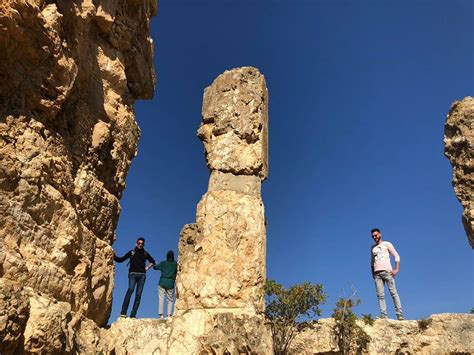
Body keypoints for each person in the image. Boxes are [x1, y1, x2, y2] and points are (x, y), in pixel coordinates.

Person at [114, 237, 155, 318]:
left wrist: (147, 268)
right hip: (132, 274)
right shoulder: (132, 252)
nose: (140, 245)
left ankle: (133, 314)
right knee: (130, 290)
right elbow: (121, 259)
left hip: (142, 276)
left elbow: (153, 261)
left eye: (142, 244)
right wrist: (114, 256)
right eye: (139, 243)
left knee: (138, 295)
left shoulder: (145, 253)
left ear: (144, 245)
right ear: (136, 244)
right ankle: (123, 312)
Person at [370, 228, 404, 320]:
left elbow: (397, 256)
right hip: (377, 274)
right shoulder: (372, 248)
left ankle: (399, 314)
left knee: (393, 293)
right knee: (380, 295)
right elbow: (372, 261)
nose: (374, 237)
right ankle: (384, 315)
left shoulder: (387, 244)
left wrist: (396, 269)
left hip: (387, 272)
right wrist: (373, 273)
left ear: (380, 234)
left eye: (376, 235)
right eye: (373, 236)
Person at [153, 250, 178, 319]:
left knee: (161, 298)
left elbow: (155, 268)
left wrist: (153, 264)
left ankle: (161, 315)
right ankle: (169, 315)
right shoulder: (175, 264)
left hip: (162, 282)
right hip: (170, 283)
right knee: (170, 300)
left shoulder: (163, 263)